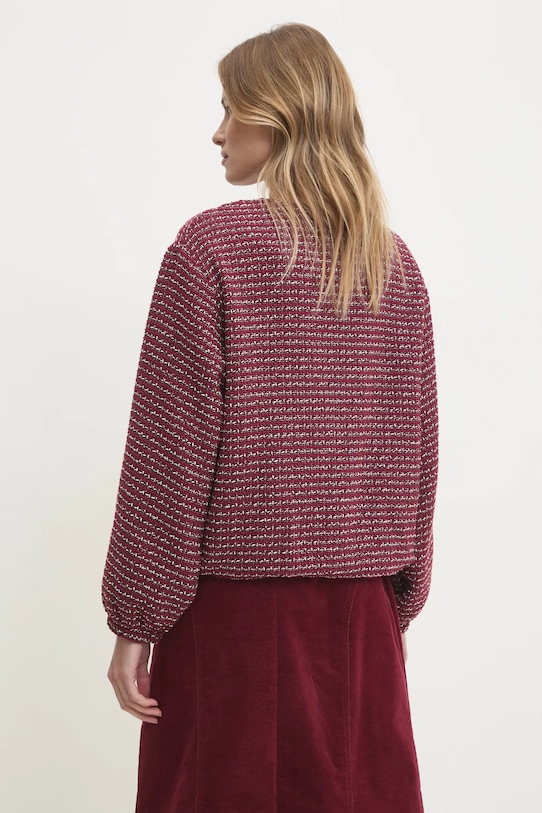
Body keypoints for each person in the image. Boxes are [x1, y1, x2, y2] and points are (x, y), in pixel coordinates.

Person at [102, 22, 438, 813]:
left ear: (279, 115)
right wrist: (396, 603)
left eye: (231, 107)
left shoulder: (210, 250)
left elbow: (169, 456)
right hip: (360, 622)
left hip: (231, 622)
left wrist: (134, 622)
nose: (218, 132)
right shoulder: (394, 265)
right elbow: (417, 459)